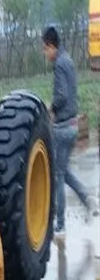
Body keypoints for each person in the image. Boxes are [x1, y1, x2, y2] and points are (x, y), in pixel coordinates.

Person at [42, 25, 98, 240]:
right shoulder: (69, 61)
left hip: (63, 128)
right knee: (63, 171)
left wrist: (51, 108)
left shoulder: (59, 65)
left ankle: (61, 225)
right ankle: (87, 199)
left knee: (57, 175)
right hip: (73, 125)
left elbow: (62, 95)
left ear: (51, 45)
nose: (44, 53)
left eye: (45, 49)